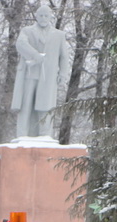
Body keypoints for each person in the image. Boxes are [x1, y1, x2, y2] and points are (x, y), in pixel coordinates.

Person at [11, 4, 71, 139]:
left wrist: (62, 74)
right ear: (36, 17)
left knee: (46, 105)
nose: (43, 18)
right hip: (29, 74)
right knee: (25, 105)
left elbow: (64, 57)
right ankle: (22, 134)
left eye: (46, 15)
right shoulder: (27, 31)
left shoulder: (59, 35)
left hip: (48, 76)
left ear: (50, 17)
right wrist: (34, 55)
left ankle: (45, 135)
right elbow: (20, 44)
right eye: (41, 15)